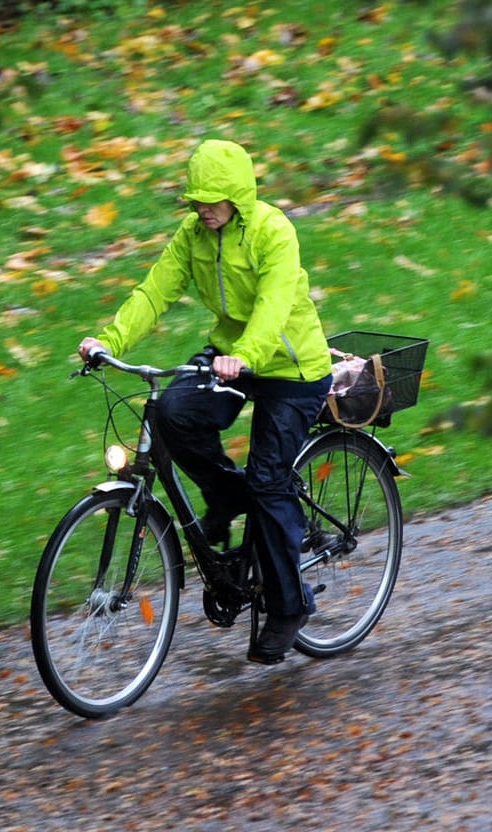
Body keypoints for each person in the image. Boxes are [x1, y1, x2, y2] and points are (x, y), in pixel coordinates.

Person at [77, 139, 334, 665]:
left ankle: (289, 606)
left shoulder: (272, 230)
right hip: (231, 355)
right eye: (196, 199)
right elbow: (155, 292)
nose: (203, 208)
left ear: (239, 195)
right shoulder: (193, 236)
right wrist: (110, 341)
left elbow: (274, 302)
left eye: (213, 199)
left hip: (291, 368)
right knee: (173, 413)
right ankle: (226, 494)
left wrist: (245, 354)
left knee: (268, 479)